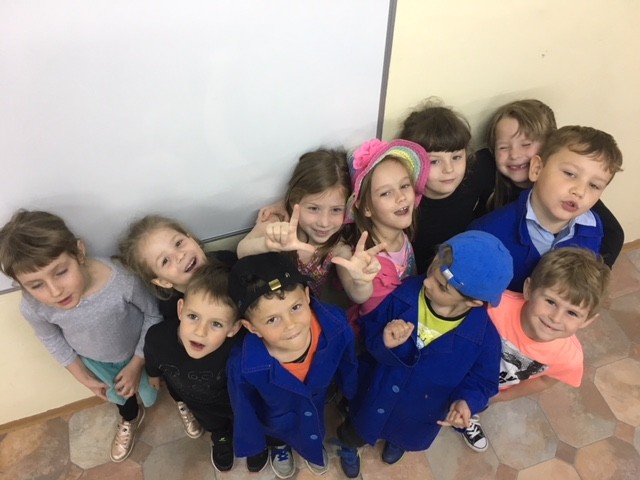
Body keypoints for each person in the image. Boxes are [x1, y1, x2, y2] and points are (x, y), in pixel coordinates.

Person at [334, 231, 513, 478]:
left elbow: (483, 381)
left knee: (402, 435)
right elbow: (370, 332)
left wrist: (467, 402)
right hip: (374, 392)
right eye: (432, 270)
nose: (427, 283)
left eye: (442, 286)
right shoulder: (404, 294)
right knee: (355, 430)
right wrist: (384, 340)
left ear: (473, 303)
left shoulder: (485, 340)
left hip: (418, 413)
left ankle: (396, 443)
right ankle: (348, 447)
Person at [0, 210, 163, 463]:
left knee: (154, 388)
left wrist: (136, 363)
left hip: (142, 352)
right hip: (98, 363)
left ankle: (182, 400)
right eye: (36, 285)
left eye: (60, 272)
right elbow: (52, 339)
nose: (55, 291)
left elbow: (153, 315)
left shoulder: (122, 280)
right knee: (121, 398)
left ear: (79, 252)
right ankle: (130, 417)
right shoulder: (33, 307)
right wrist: (84, 377)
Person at [459, 247, 611, 452]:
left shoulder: (569, 357)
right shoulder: (494, 306)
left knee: (466, 408)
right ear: (529, 289)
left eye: (572, 313)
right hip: (455, 370)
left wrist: (502, 397)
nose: (555, 318)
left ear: (587, 321)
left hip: (484, 392)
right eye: (550, 302)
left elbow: (545, 380)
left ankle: (468, 417)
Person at [227, 252, 358, 479]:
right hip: (275, 419)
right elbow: (244, 407)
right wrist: (253, 442)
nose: (291, 325)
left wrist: (351, 389)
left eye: (295, 307)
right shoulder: (242, 366)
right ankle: (280, 447)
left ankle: (312, 446)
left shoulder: (335, 323)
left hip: (317, 404)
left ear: (307, 296)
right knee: (278, 435)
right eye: (272, 319)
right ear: (252, 327)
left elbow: (348, 359)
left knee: (314, 425)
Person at [118, 214, 237, 437]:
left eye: (179, 243)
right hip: (208, 386)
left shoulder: (229, 264)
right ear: (162, 281)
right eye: (165, 261)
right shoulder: (171, 314)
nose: (180, 255)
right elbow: (167, 352)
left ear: (192, 239)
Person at [144, 262, 269, 472]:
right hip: (198, 402)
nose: (200, 332)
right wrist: (153, 374)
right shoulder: (158, 337)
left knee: (248, 421)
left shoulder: (240, 345)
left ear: (233, 328)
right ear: (181, 309)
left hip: (237, 401)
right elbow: (152, 355)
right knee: (212, 423)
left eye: (216, 324)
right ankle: (221, 437)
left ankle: (253, 442)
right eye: (193, 317)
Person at [470, 125, 623, 292]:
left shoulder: (594, 228)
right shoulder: (487, 232)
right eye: (570, 174)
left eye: (594, 185)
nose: (580, 191)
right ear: (537, 169)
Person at [478, 99, 624, 266]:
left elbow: (614, 235)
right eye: (503, 147)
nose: (515, 155)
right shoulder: (491, 220)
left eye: (526, 144)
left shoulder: (587, 215)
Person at [237, 148, 384, 305]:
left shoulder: (337, 248)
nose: (324, 222)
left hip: (306, 313)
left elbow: (357, 296)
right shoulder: (277, 222)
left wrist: (362, 282)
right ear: (294, 202)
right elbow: (241, 251)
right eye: (314, 208)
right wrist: (267, 244)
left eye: (336, 210)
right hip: (266, 311)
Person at [399, 98, 495, 271]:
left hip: (465, 266)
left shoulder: (478, 171)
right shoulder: (404, 203)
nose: (449, 169)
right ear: (412, 162)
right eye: (435, 161)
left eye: (456, 157)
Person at [345, 138, 430, 320]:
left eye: (404, 186)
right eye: (386, 193)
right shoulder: (370, 261)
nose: (401, 197)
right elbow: (366, 304)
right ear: (366, 208)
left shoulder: (400, 232)